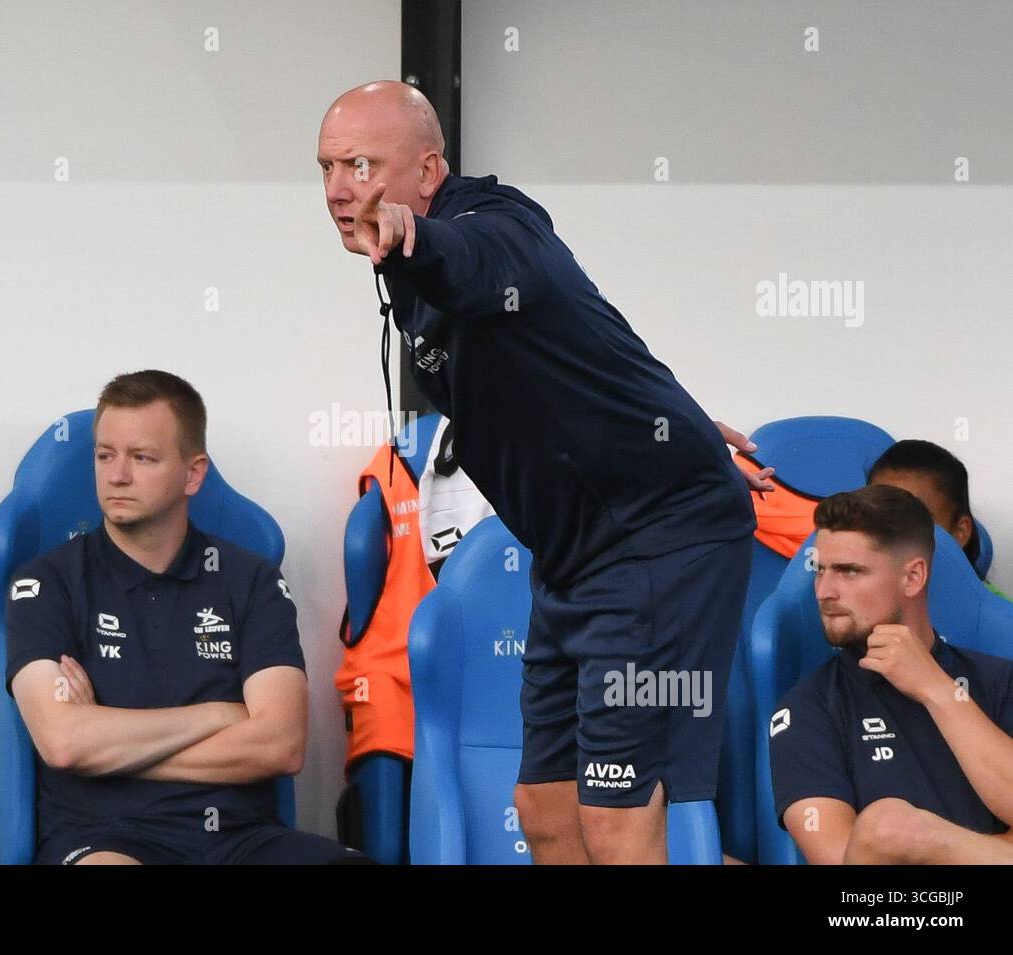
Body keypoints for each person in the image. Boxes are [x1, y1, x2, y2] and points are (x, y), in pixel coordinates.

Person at [319, 80, 774, 863]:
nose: (337, 189)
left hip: (660, 542)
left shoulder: (493, 226)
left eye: (362, 165)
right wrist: (685, 420)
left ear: (429, 171)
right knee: (544, 805)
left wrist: (415, 238)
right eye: (326, 166)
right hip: (573, 558)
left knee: (616, 808)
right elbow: (589, 332)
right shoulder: (405, 270)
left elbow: (484, 262)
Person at [6, 370, 369, 864]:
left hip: (242, 840)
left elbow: (281, 745)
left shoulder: (251, 581)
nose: (117, 476)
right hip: (105, 838)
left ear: (193, 474)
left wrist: (110, 746)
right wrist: (219, 716)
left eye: (142, 458)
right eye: (105, 455)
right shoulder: (46, 584)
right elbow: (65, 742)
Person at [769, 484, 1013, 863]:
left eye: (849, 571)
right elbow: (845, 863)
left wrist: (935, 688)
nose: (824, 591)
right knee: (888, 826)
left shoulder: (999, 682)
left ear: (913, 577)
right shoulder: (807, 709)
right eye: (820, 571)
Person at [868, 438, 1009, 600]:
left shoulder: (998, 617)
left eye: (913, 517)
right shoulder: (844, 597)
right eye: (877, 514)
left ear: (959, 533)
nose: (889, 533)